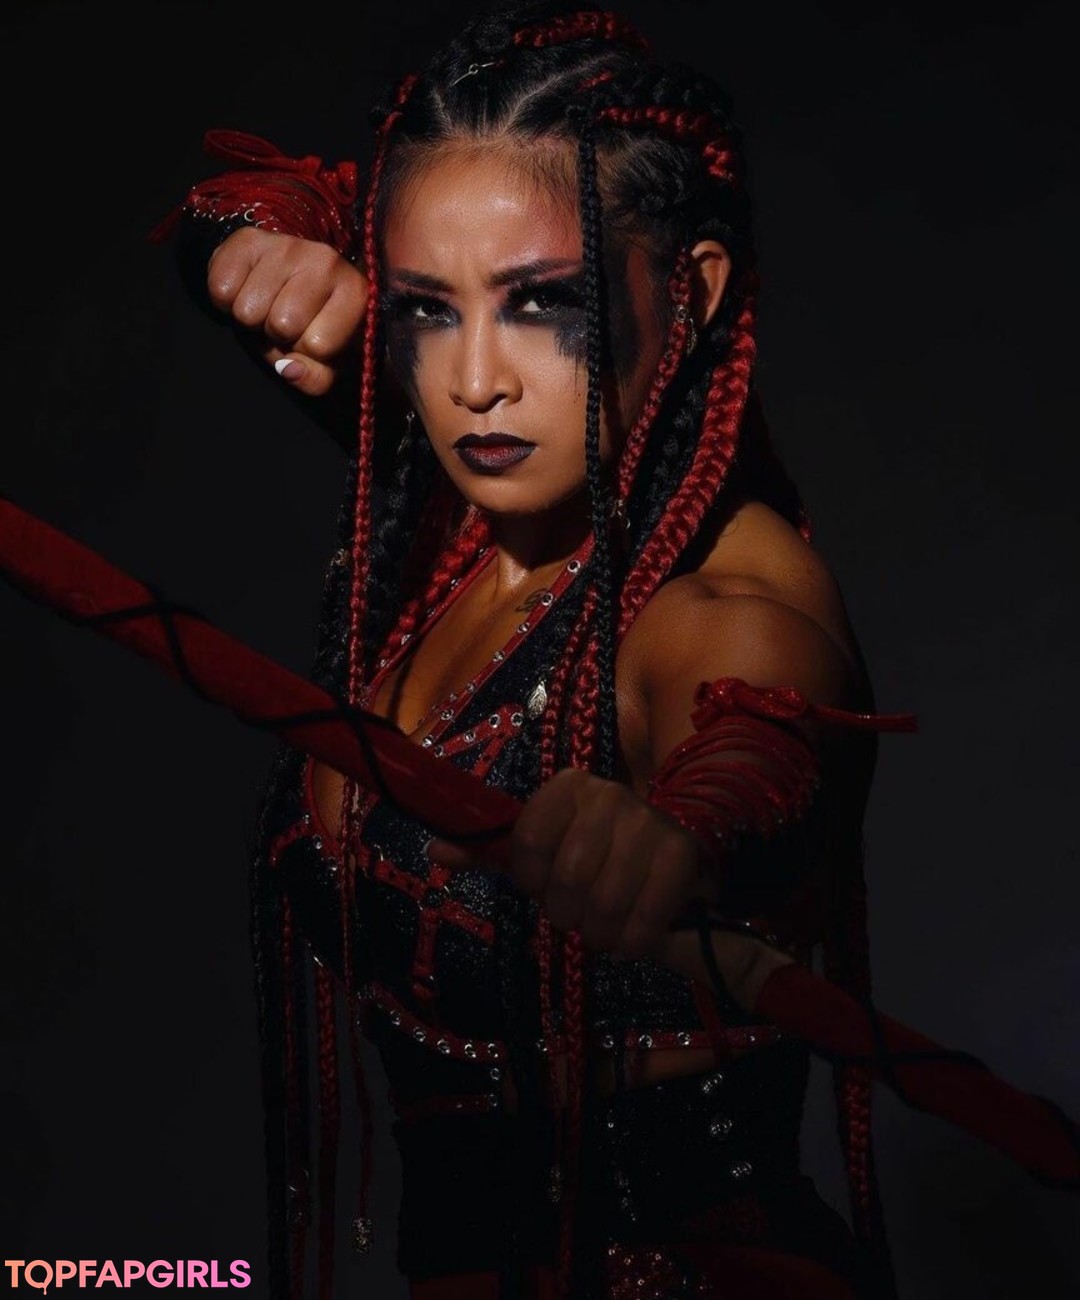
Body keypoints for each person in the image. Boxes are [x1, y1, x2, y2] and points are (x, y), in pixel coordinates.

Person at [152, 4, 923, 1297]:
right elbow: (216, 217)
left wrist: (676, 835)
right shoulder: (454, 508)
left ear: (691, 291)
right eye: (425, 309)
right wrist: (262, 248)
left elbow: (767, 740)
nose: (475, 381)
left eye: (543, 304)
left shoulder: (721, 597)